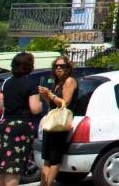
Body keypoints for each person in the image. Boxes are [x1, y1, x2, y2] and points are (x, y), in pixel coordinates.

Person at [0, 52, 43, 186]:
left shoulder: (7, 82)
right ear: (29, 66)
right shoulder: (30, 84)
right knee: (14, 166)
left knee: (2, 165)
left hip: (5, 124)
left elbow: (1, 104)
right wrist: (41, 102)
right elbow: (35, 108)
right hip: (21, 127)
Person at [37, 57, 77, 186]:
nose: (59, 68)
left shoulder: (69, 81)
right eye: (56, 66)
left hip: (60, 123)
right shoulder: (57, 83)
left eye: (62, 66)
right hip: (52, 122)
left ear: (68, 68)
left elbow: (65, 103)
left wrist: (51, 95)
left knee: (54, 158)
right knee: (47, 158)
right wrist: (45, 97)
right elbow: (52, 104)